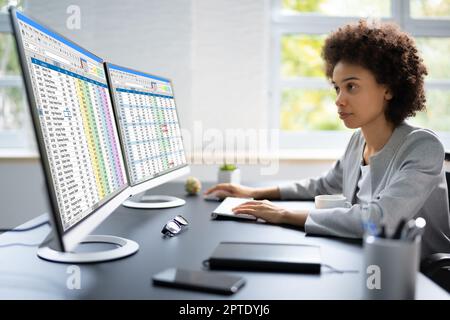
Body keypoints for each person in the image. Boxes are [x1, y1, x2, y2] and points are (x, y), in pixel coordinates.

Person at [204, 19, 450, 258]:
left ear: (388, 89)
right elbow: (324, 186)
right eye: (337, 87)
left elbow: (379, 219)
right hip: (367, 256)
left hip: (416, 273)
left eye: (351, 87)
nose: (339, 99)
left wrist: (284, 214)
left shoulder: (422, 147)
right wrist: (253, 192)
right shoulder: (358, 141)